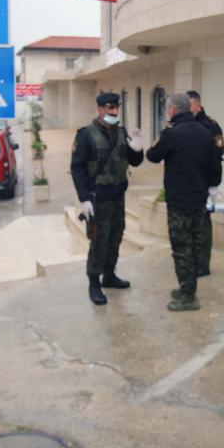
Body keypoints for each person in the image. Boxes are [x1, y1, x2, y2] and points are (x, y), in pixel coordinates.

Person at [70, 92, 144, 305]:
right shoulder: (86, 135)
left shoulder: (121, 132)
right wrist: (84, 199)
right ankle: (94, 283)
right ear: (99, 109)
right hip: (98, 199)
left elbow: (135, 161)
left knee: (116, 237)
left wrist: (137, 148)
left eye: (115, 108)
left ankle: (109, 276)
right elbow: (77, 168)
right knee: (99, 241)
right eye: (109, 108)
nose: (113, 112)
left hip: (118, 196)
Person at [148, 92, 218, 311]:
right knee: (195, 245)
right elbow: (215, 167)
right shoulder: (206, 132)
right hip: (198, 199)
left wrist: (161, 133)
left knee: (181, 247)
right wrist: (213, 186)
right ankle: (188, 287)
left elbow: (152, 155)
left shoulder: (171, 134)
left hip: (179, 202)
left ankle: (188, 295)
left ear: (171, 110)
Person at [187, 90, 223, 277]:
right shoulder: (183, 124)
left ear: (197, 106)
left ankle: (202, 264)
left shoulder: (211, 126)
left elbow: (217, 156)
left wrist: (214, 184)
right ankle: (190, 260)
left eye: (189, 105)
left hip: (204, 182)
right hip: (187, 183)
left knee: (202, 225)